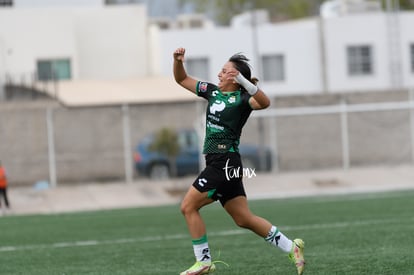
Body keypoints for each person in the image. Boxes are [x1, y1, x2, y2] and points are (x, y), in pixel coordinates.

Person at [173, 47, 305, 275]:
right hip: (223, 164)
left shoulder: (243, 99)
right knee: (244, 219)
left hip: (224, 164)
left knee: (188, 206)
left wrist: (245, 81)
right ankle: (292, 247)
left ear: (235, 77)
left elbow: (264, 102)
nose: (219, 74)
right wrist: (178, 61)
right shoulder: (211, 92)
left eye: (224, 71)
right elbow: (181, 78)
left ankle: (203, 261)